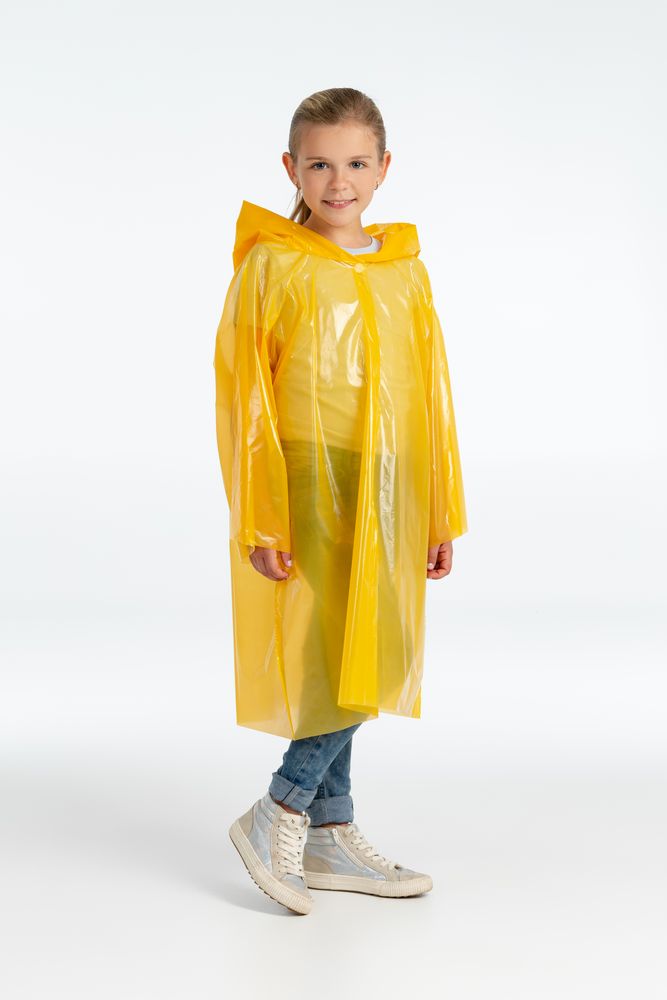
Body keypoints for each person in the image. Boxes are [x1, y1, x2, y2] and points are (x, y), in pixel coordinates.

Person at [213, 87, 468, 915]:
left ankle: (329, 828)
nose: (338, 181)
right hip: (306, 475)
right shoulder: (272, 265)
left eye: (356, 162)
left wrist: (436, 507)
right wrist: (261, 513)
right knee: (338, 656)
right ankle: (282, 806)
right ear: (290, 168)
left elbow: (431, 392)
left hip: (389, 477)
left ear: (384, 167)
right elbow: (246, 395)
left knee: (368, 649)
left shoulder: (403, 269)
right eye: (319, 164)